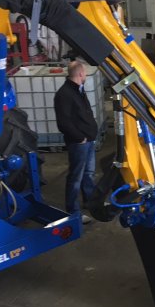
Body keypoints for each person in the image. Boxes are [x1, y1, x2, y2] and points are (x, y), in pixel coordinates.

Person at [54, 60, 97, 225]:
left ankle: (90, 201)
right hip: (79, 143)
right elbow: (63, 123)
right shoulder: (64, 94)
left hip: (89, 140)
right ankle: (73, 211)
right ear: (80, 74)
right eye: (84, 72)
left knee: (88, 173)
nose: (85, 75)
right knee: (76, 177)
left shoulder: (79, 89)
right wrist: (80, 138)